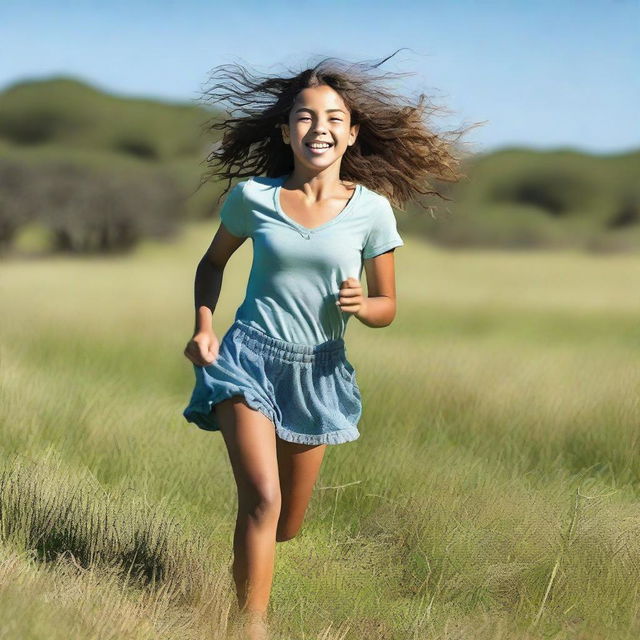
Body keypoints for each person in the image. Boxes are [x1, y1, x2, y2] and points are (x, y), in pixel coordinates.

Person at [182, 52, 470, 639]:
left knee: (286, 522)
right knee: (260, 499)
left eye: (334, 118)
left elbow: (388, 307)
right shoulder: (253, 198)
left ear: (351, 133)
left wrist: (365, 306)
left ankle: (251, 565)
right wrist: (204, 325)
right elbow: (211, 265)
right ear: (287, 132)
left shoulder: (370, 212)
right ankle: (249, 627)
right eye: (306, 118)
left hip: (317, 372)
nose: (320, 128)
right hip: (248, 357)